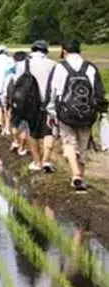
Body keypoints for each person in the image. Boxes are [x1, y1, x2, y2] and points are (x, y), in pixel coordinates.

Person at [46, 39, 107, 192]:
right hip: (87, 113)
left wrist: (50, 111)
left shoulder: (60, 67)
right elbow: (99, 93)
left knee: (69, 143)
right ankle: (81, 177)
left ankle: (76, 175)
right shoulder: (90, 68)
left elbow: (53, 92)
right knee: (83, 145)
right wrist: (102, 111)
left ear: (64, 50)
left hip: (66, 113)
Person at [9, 40, 58, 173]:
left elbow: (16, 83)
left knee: (32, 133)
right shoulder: (54, 65)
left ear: (32, 50)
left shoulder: (23, 64)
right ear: (46, 51)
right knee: (49, 132)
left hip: (29, 104)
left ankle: (37, 162)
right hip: (49, 103)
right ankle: (46, 161)